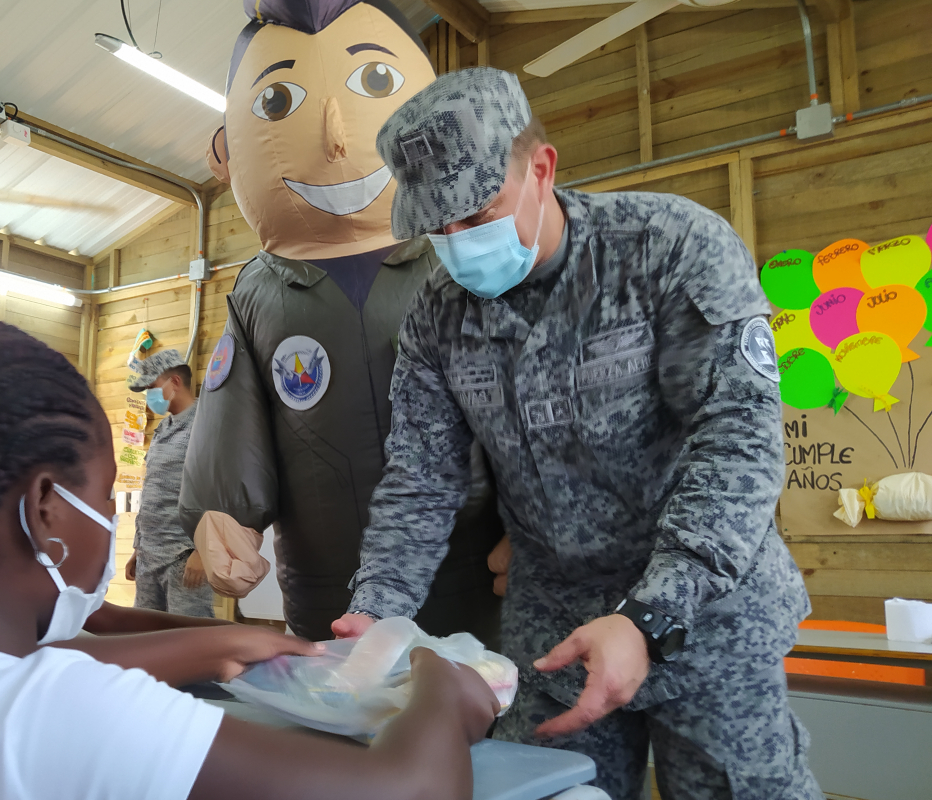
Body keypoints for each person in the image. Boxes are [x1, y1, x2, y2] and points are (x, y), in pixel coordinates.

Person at [0, 320, 498, 800]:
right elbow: (408, 788)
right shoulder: (52, 715)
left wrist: (216, 642)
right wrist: (439, 679)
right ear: (47, 509)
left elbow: (52, 657)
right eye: (104, 492)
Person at [332, 69, 823, 800]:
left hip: (709, 621)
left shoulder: (665, 248)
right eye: (439, 227)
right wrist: (376, 609)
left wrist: (650, 616)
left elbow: (737, 440)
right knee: (546, 790)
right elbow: (421, 476)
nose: (458, 243)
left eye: (477, 212)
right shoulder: (438, 316)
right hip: (557, 629)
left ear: (541, 168)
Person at [181, 0, 502, 642]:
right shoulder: (258, 293)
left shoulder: (462, 264)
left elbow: (527, 405)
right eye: (276, 102)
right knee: (344, 731)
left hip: (471, 582)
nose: (334, 137)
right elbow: (232, 420)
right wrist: (221, 515)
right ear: (226, 151)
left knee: (480, 724)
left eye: (377, 82)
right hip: (329, 594)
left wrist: (540, 520)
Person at [124, 350, 214, 618]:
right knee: (145, 633)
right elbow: (152, 489)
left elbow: (220, 490)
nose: (149, 397)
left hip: (183, 555)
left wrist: (203, 551)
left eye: (151, 388)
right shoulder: (163, 428)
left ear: (174, 382)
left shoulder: (206, 424)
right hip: (149, 554)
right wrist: (138, 548)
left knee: (189, 639)